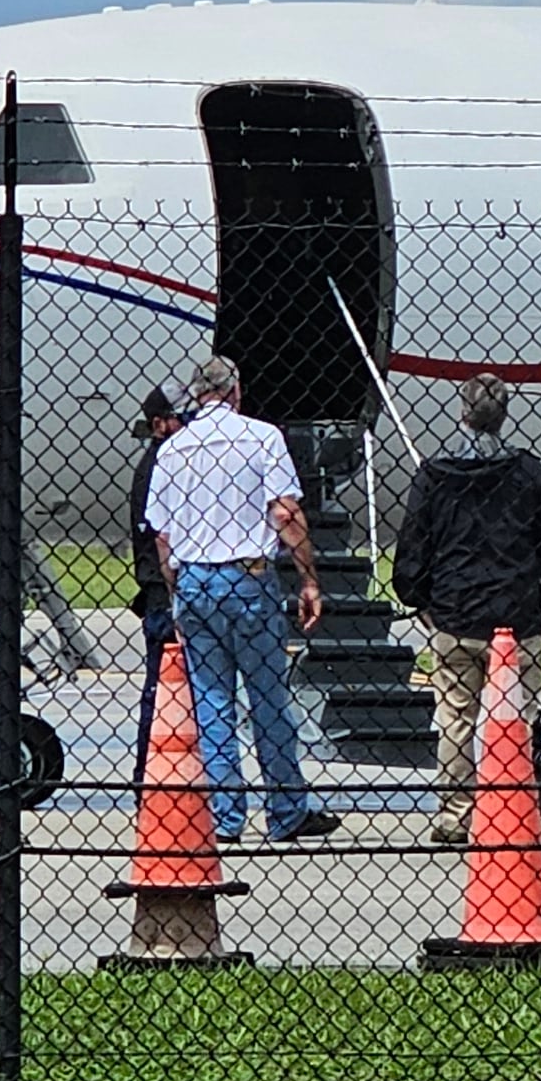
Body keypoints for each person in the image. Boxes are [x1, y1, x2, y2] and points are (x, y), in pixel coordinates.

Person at [142, 352, 330, 844]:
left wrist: (175, 591)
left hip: (195, 581)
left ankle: (226, 815)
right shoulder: (263, 437)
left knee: (211, 701)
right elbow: (285, 513)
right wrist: (309, 578)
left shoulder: (173, 449)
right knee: (267, 696)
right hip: (248, 578)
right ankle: (286, 809)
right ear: (235, 391)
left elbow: (162, 537)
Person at [388, 374, 541, 844]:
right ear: (504, 416)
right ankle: (515, 808)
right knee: (517, 719)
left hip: (456, 610)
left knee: (455, 715)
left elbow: (414, 541)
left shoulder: (436, 472)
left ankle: (456, 814)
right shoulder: (528, 471)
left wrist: (419, 598)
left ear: (461, 412)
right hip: (517, 612)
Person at [126, 384, 184, 774]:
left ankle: (156, 773)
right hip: (166, 594)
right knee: (166, 691)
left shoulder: (173, 460)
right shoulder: (163, 467)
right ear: (160, 424)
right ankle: (152, 773)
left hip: (168, 590)